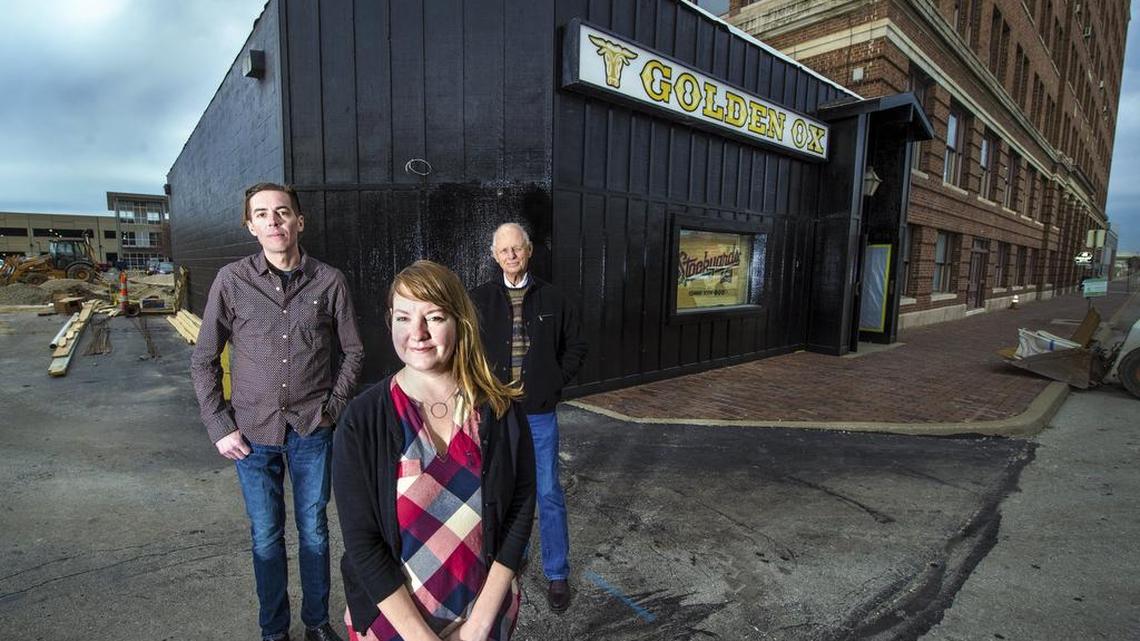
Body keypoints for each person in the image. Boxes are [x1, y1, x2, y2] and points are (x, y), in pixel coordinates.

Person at [191, 182, 364, 641]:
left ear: (299, 221)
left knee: (314, 532)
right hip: (250, 433)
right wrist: (219, 425)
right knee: (266, 537)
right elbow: (204, 357)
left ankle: (317, 623)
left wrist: (332, 408)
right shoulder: (232, 281)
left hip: (312, 429)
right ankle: (273, 631)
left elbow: (354, 352)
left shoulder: (329, 281)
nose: (274, 221)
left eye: (282, 212)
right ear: (251, 226)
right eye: (262, 214)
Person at [333, 260, 535, 641]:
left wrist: (477, 627)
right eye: (403, 317)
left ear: (460, 321)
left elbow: (520, 510)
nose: (417, 333)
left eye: (434, 317)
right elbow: (363, 542)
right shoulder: (363, 420)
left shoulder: (499, 409)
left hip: (482, 616)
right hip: (394, 623)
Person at [469, 223, 588, 612]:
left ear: (529, 250)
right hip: (497, 412)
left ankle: (556, 573)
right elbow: (464, 348)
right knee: (497, 491)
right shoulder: (480, 300)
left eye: (516, 249)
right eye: (503, 251)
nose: (511, 256)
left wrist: (554, 382)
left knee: (548, 491)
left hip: (537, 412)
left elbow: (577, 345)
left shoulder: (553, 298)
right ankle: (502, 565)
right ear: (494, 255)